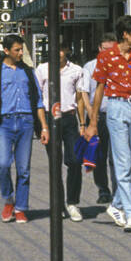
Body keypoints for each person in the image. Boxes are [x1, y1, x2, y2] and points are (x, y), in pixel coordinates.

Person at [83, 16, 131, 233]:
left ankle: (115, 205)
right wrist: (93, 121)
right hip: (115, 107)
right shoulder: (106, 57)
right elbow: (98, 90)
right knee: (122, 163)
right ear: (125, 34)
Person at [0, 34, 50, 223]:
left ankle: (20, 207)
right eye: (17, 50)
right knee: (3, 163)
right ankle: (8, 199)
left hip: (26, 122)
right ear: (6, 51)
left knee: (23, 168)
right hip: (5, 123)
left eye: (22, 50)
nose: (21, 53)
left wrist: (44, 127)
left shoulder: (28, 71)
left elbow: (38, 101)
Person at [35, 47, 89, 221]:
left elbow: (80, 98)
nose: (57, 52)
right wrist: (43, 125)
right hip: (51, 120)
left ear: (66, 51)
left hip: (69, 118)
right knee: (55, 163)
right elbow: (38, 99)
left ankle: (72, 202)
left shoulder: (77, 70)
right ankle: (58, 204)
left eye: (61, 49)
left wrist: (83, 123)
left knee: (75, 161)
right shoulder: (42, 69)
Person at [80, 39, 118, 204]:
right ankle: (103, 189)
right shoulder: (89, 67)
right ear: (98, 47)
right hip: (98, 116)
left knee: (117, 155)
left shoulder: (119, 64)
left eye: (111, 49)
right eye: (104, 48)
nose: (108, 52)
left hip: (116, 114)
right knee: (99, 155)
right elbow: (84, 92)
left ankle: (119, 190)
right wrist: (90, 112)